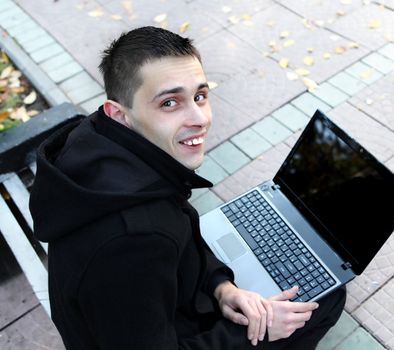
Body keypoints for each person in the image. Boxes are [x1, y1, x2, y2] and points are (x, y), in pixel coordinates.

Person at [29, 26, 345, 349]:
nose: (200, 118)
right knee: (326, 299)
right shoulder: (132, 242)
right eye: (170, 103)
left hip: (155, 311)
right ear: (119, 114)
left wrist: (221, 286)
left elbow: (179, 232)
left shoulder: (102, 143)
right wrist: (258, 331)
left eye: (200, 96)